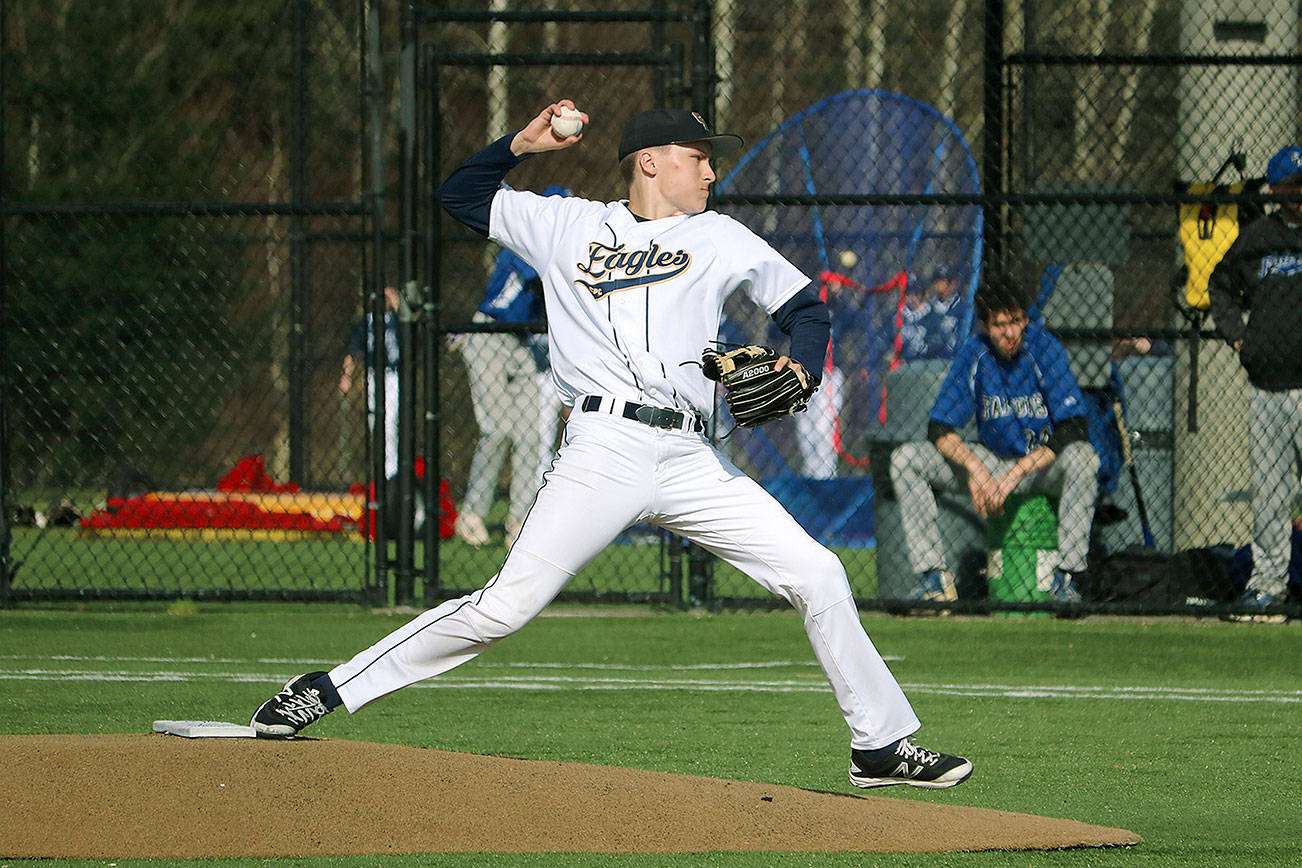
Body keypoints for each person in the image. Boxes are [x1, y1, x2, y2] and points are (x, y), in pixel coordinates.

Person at [249, 101, 972, 791]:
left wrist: (804, 366)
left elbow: (808, 307)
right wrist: (522, 147)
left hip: (691, 458)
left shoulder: (720, 236)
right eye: (698, 158)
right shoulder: (566, 226)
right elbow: (458, 195)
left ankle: (877, 744)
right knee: (504, 608)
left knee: (818, 574)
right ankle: (327, 688)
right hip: (602, 448)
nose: (711, 172)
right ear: (651, 162)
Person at [889, 279, 1100, 604]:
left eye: (1016, 321)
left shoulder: (1044, 349)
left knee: (1085, 458)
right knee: (906, 459)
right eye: (1000, 325)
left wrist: (1015, 475)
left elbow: (1073, 428)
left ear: (1025, 319)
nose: (1010, 333)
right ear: (985, 325)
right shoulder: (975, 353)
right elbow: (938, 428)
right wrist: (975, 468)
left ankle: (1065, 579)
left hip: (1041, 465)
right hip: (992, 462)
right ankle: (934, 581)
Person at [1207, 144, 1302, 619]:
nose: (1298, 196)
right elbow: (1219, 284)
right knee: (1269, 490)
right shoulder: (1259, 237)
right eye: (1289, 188)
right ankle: (1268, 586)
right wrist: (1239, 338)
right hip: (1266, 383)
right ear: (1275, 190)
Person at [453, 186, 569, 547]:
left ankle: (519, 521)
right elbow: (538, 274)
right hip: (489, 334)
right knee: (498, 428)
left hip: (521, 344)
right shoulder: (524, 245)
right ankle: (472, 513)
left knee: (531, 435)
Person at [340, 285, 400, 479]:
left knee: (391, 422)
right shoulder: (366, 322)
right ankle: (385, 472)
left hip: (394, 375)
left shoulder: (396, 320)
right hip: (374, 375)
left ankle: (393, 473)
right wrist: (346, 377)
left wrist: (396, 299)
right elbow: (352, 351)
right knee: (377, 424)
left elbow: (410, 327)